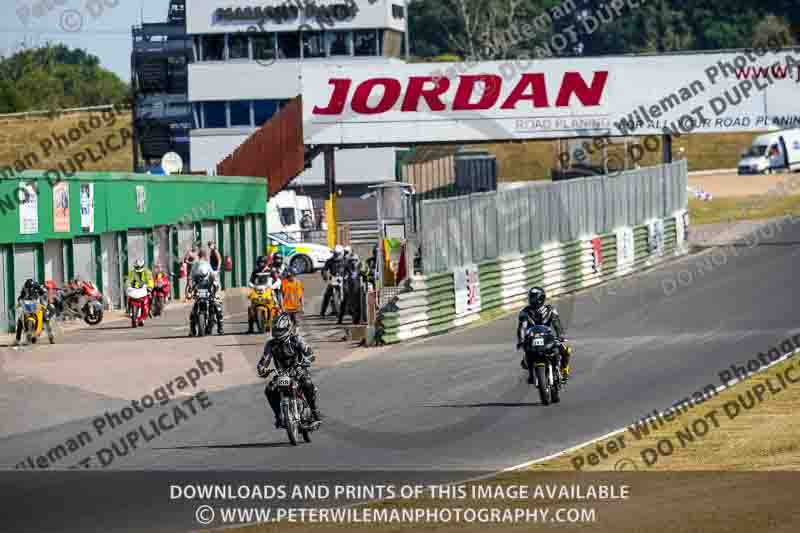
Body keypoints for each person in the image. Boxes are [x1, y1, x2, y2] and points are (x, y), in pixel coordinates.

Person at [257, 313, 321, 428]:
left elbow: (310, 353)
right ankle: (278, 416)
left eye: (280, 330)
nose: (277, 333)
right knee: (269, 390)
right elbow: (264, 359)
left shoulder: (296, 339)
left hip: (298, 370)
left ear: (287, 328)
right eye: (275, 330)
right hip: (281, 373)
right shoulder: (270, 344)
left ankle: (314, 412)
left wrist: (307, 360)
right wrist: (262, 368)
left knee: (307, 383)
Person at [516, 286, 572, 383]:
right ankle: (531, 374)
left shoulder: (550, 310)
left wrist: (560, 335)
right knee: (527, 354)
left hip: (547, 336)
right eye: (531, 297)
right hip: (532, 338)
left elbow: (557, 324)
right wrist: (521, 340)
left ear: (541, 298)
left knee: (564, 349)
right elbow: (522, 327)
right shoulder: (525, 312)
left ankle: (564, 368)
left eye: (534, 298)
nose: (531, 300)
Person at [190, 249, 224, 335]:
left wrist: (214, 284)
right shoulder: (196, 265)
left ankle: (220, 327)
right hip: (199, 289)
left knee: (216, 305)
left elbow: (213, 275)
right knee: (195, 308)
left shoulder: (205, 265)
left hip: (208, 288)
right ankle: (192, 329)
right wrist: (191, 288)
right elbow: (191, 278)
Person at [14, 279, 54, 345]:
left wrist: (45, 301)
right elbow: (20, 297)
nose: (28, 289)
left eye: (30, 287)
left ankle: (50, 336)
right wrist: (19, 302)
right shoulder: (24, 290)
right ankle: (17, 340)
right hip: (28, 306)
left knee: (46, 318)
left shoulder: (39, 289)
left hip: (37, 305)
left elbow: (44, 294)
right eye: (27, 288)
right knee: (20, 320)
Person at [319, 244, 345, 317]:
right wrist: (325, 275)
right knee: (327, 295)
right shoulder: (329, 261)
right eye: (335, 254)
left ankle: (353, 311)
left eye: (337, 254)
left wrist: (348, 275)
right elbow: (324, 269)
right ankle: (322, 312)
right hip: (333, 279)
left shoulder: (345, 260)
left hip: (344, 279)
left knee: (352, 293)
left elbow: (350, 268)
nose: (336, 255)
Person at [126, 259, 154, 326]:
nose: (138, 268)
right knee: (128, 297)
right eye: (136, 267)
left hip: (144, 289)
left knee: (150, 296)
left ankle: (149, 309)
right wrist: (127, 286)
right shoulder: (132, 272)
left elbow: (150, 281)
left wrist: (150, 287)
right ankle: (128, 309)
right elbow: (128, 281)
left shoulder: (147, 272)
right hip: (134, 289)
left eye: (139, 267)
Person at [337, 253, 362, 325]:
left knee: (358, 305)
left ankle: (356, 321)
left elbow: (367, 273)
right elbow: (340, 274)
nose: (353, 262)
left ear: (358, 260)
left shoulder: (361, 266)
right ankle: (340, 319)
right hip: (348, 289)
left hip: (358, 289)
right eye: (351, 260)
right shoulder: (346, 267)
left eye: (355, 260)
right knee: (344, 302)